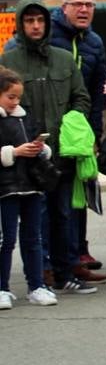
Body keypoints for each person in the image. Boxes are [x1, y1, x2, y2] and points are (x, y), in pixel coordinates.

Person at [0, 0, 97, 294]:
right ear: (20, 24)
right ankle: (40, 275)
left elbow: (82, 96)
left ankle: (66, 271)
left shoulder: (63, 58)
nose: (36, 26)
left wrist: (72, 123)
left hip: (61, 151)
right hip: (25, 157)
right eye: (29, 21)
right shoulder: (9, 60)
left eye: (40, 20)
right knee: (34, 219)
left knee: (63, 214)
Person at [49, 0, 106, 275]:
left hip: (81, 131)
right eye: (78, 4)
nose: (84, 10)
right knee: (52, 198)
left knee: (79, 192)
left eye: (89, 5)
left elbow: (98, 93)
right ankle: (50, 261)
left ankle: (76, 256)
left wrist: (96, 134)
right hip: (50, 130)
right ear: (64, 8)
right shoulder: (46, 35)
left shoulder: (95, 42)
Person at [0, 67, 58, 307]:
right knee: (6, 239)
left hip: (32, 185)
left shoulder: (25, 116)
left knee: (34, 237)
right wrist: (14, 152)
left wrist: (40, 148)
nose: (15, 102)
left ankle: (36, 285)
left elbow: (37, 139)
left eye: (18, 97)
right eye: (10, 97)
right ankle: (2, 287)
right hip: (6, 188)